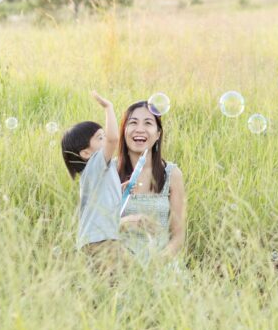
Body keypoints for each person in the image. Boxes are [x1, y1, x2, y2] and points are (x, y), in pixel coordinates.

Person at [117, 100, 187, 266]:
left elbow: (178, 235)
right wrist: (126, 222)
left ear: (158, 134)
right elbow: (95, 229)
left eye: (148, 123)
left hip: (161, 265)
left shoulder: (172, 174)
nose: (140, 129)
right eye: (133, 122)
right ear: (123, 131)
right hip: (118, 264)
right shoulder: (108, 172)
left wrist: (156, 264)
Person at [61, 92, 125, 272]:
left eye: (103, 136)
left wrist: (120, 189)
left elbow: (103, 195)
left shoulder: (95, 172)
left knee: (103, 286)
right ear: (85, 153)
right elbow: (114, 139)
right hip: (102, 239)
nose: (106, 140)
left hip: (94, 239)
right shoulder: (96, 163)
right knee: (115, 284)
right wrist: (108, 107)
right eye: (100, 137)